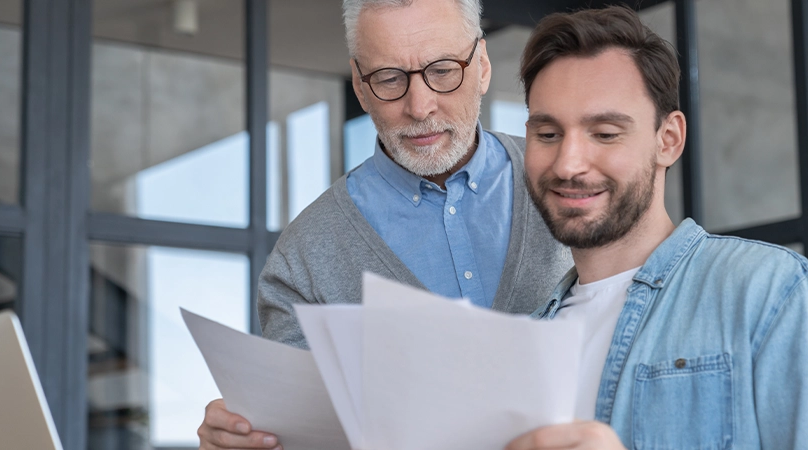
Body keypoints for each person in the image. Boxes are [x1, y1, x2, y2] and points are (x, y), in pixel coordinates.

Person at [504, 6, 808, 449]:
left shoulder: (771, 294)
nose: (568, 164)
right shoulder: (528, 343)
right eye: (548, 135)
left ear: (668, 140)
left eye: (605, 134)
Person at [196, 0, 572, 448]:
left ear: (483, 66)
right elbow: (298, 436)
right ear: (359, 85)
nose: (420, 106)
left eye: (443, 69)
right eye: (390, 79)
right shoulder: (303, 259)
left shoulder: (569, 183)